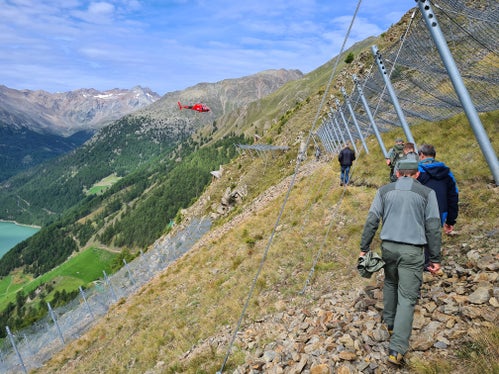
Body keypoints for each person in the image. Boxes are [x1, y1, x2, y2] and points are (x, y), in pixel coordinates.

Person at [359, 158, 442, 365]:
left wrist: (364, 248)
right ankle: (397, 350)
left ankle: (390, 323)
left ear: (397, 173)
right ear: (417, 174)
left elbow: (372, 220)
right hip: (413, 252)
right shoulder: (427, 193)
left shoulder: (384, 191)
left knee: (390, 282)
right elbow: (433, 226)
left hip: (388, 247)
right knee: (407, 297)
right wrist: (435, 258)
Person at [417, 144, 459, 267]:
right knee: (433, 236)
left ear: (422, 155)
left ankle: (422, 266)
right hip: (440, 211)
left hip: (419, 211)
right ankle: (431, 263)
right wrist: (451, 220)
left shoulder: (416, 172)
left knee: (419, 238)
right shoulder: (446, 173)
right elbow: (453, 196)